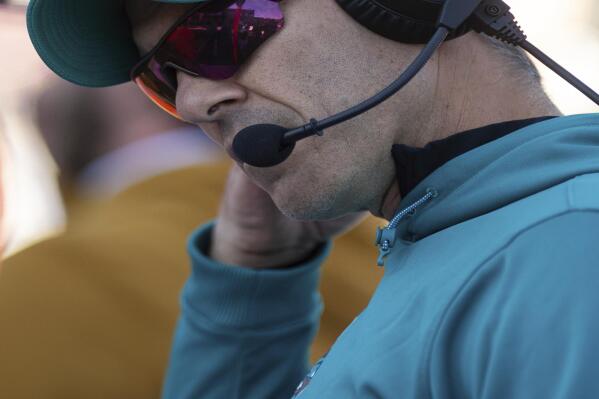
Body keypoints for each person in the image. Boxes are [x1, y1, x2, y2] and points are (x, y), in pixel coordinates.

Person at [25, 0, 599, 398]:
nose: (195, 101)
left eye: (218, 32)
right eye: (163, 78)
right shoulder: (464, 250)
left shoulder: (570, 250)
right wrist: (249, 285)